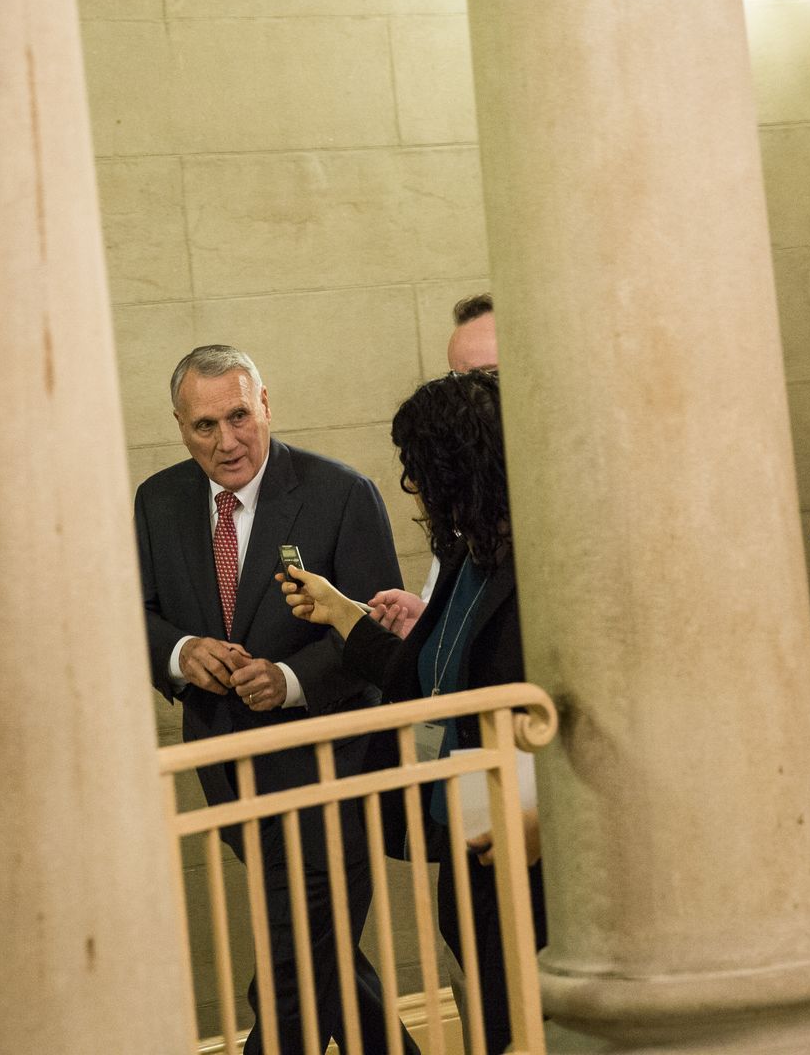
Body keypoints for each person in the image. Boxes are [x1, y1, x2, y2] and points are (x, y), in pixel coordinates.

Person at [134, 345, 413, 1055]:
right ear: (178, 425)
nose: (225, 442)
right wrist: (179, 652)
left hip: (331, 769)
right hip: (229, 769)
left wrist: (290, 682)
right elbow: (135, 613)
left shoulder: (341, 493)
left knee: (294, 975)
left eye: (237, 416)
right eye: (203, 426)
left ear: (266, 405)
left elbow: (377, 641)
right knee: (324, 966)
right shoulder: (158, 501)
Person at [279, 370, 548, 1055]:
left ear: (457, 469)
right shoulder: (464, 555)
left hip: (535, 847)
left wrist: (550, 811)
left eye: (418, 470)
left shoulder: (545, 563)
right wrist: (342, 612)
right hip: (464, 843)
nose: (412, 489)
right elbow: (421, 682)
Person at [368, 293, 501, 637]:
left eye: (489, 378)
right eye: (457, 383)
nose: (468, 401)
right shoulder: (463, 496)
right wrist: (426, 619)